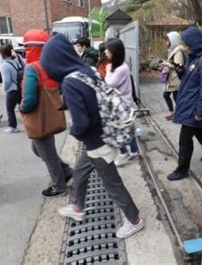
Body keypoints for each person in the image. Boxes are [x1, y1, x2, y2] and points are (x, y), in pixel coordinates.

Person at [40, 33, 144, 239]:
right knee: (79, 172)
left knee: (112, 184)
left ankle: (135, 220)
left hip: (97, 142)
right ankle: (77, 207)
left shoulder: (70, 82)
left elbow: (81, 123)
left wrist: (73, 131)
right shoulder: (86, 70)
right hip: (102, 135)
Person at [20, 29, 73, 197]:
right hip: (50, 115)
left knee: (47, 155)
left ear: (29, 48)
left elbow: (29, 100)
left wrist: (22, 108)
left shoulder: (31, 68)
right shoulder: (50, 66)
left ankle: (59, 187)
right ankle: (65, 170)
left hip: (38, 118)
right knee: (38, 149)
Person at [167, 26, 202, 181]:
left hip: (196, 108)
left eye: (188, 43)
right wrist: (179, 69)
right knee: (200, 132)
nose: (186, 46)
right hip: (191, 106)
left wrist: (200, 112)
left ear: (195, 41)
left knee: (184, 139)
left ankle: (182, 169)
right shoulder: (194, 57)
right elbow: (189, 79)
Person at [104, 38, 138, 167]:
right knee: (127, 128)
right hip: (122, 103)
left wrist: (107, 71)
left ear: (115, 52)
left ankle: (124, 153)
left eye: (108, 49)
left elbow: (109, 84)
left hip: (122, 104)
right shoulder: (118, 66)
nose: (106, 51)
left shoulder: (121, 68)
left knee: (118, 129)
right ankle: (133, 151)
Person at [161, 31, 185, 121]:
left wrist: (167, 65)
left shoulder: (178, 52)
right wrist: (167, 64)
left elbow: (179, 66)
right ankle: (175, 113)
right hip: (172, 77)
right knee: (173, 96)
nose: (166, 42)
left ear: (173, 40)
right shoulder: (173, 50)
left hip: (175, 78)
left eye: (167, 40)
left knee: (169, 95)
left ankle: (177, 113)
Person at [0, 44, 20, 134]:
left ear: (2, 54)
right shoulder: (15, 61)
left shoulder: (4, 65)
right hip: (19, 87)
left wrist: (5, 88)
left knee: (10, 109)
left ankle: (13, 127)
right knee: (23, 108)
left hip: (11, 89)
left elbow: (6, 80)